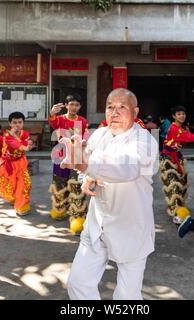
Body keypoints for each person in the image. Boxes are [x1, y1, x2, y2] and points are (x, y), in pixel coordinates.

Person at [64, 88, 158, 300]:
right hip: (97, 224)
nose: (114, 113)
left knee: (127, 296)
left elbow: (128, 167)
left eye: (121, 107)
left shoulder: (145, 141)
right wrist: (86, 178)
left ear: (135, 112)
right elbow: (85, 166)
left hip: (131, 226)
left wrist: (87, 165)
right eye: (110, 107)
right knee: (78, 283)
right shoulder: (100, 134)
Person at [160, 106, 194, 222]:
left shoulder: (180, 127)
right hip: (170, 160)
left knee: (179, 185)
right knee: (174, 186)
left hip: (176, 157)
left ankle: (177, 208)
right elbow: (191, 138)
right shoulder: (175, 128)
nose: (182, 116)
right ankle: (177, 214)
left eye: (183, 114)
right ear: (174, 116)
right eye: (179, 114)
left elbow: (185, 138)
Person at [48, 94, 89, 233]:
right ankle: (59, 209)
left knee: (77, 186)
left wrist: (85, 143)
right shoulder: (59, 119)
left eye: (77, 105)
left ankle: (78, 216)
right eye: (71, 104)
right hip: (60, 157)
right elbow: (52, 122)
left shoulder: (82, 121)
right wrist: (52, 113)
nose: (74, 107)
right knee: (59, 184)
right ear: (66, 105)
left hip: (77, 159)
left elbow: (86, 137)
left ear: (80, 107)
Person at [0, 112, 33, 216]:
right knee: (10, 186)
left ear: (23, 123)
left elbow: (26, 143)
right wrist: (26, 147)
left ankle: (22, 206)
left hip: (20, 162)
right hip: (7, 164)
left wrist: (28, 145)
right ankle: (14, 198)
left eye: (20, 122)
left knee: (25, 183)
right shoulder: (7, 135)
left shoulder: (25, 133)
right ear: (10, 123)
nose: (17, 125)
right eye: (14, 122)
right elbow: (15, 144)